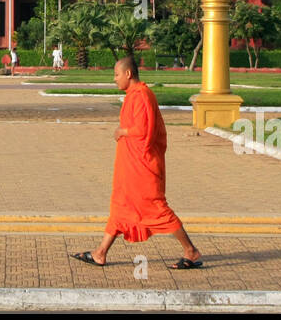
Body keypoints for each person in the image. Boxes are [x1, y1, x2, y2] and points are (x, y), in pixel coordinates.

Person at [71, 56, 203, 270]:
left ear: (128, 74)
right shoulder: (135, 95)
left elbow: (143, 131)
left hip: (143, 167)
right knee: (120, 206)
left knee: (156, 209)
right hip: (131, 167)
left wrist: (122, 131)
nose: (114, 79)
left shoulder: (141, 95)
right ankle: (100, 252)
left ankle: (191, 251)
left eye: (116, 74)